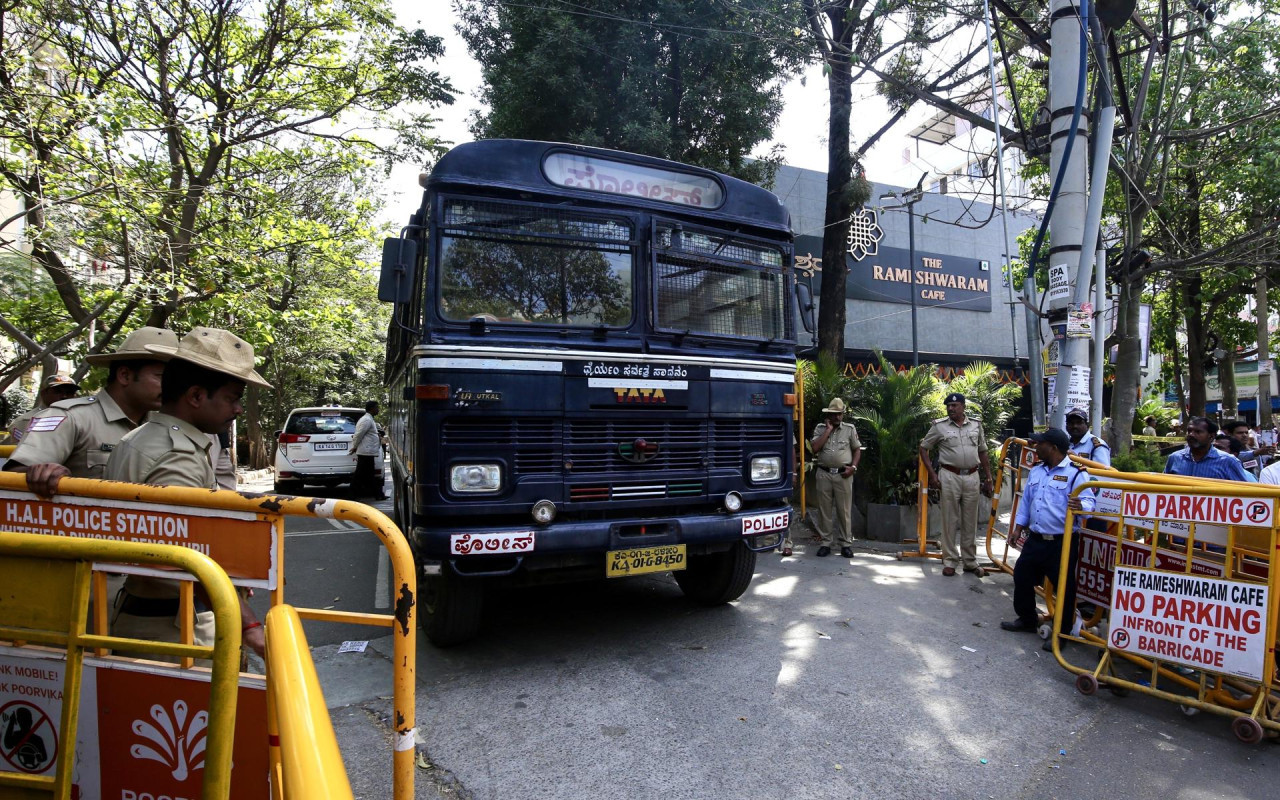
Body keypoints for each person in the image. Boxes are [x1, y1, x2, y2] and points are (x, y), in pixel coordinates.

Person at [105, 327, 271, 659]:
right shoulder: (177, 454)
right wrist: (250, 627)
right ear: (195, 396)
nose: (238, 409)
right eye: (231, 398)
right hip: (179, 630)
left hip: (146, 616)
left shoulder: (139, 438)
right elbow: (187, 559)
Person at [3, 328, 177, 495]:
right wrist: (42, 472)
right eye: (161, 377)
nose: (172, 387)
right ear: (124, 375)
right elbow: (15, 476)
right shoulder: (70, 417)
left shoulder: (165, 426)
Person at [1000, 428, 1095, 651]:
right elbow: (1027, 503)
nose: (1035, 445)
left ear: (1052, 447)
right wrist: (1017, 529)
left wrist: (1082, 506)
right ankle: (1027, 619)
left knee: (1064, 588)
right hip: (1036, 538)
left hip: (1062, 542)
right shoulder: (1037, 471)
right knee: (1022, 574)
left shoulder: (1076, 473)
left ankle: (1061, 634)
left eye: (1040, 443)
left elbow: (1089, 503)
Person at [920, 392, 993, 576]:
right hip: (949, 476)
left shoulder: (976, 425)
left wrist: (989, 478)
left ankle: (969, 561)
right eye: (949, 406)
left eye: (955, 406)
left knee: (970, 520)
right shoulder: (939, 426)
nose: (951, 409)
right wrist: (932, 474)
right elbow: (923, 448)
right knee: (949, 519)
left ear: (963, 407)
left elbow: (983, 451)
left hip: (972, 476)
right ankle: (950, 560)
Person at [809, 397, 860, 558]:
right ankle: (826, 542)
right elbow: (815, 448)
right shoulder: (820, 428)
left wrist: (853, 467)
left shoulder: (849, 429)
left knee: (844, 510)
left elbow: (857, 449)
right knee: (824, 510)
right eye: (835, 414)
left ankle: (845, 543)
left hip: (843, 475)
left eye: (841, 414)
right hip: (823, 473)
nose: (838, 417)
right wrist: (828, 430)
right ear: (829, 414)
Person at [1163, 417, 1251, 481]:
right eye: (1189, 431)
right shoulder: (1174, 458)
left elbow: (1243, 494)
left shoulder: (1229, 462)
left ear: (1211, 436)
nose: (1191, 435)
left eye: (1198, 432)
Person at [3, 375, 80, 444]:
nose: (64, 396)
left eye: (70, 392)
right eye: (57, 391)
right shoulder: (25, 421)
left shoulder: (83, 419)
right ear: (43, 393)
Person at [348, 400, 386, 500]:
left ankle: (378, 495)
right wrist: (355, 446)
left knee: (369, 475)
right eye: (377, 407)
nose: (378, 409)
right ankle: (353, 495)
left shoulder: (369, 419)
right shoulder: (366, 420)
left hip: (368, 452)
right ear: (372, 408)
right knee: (360, 475)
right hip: (365, 452)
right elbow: (358, 434)